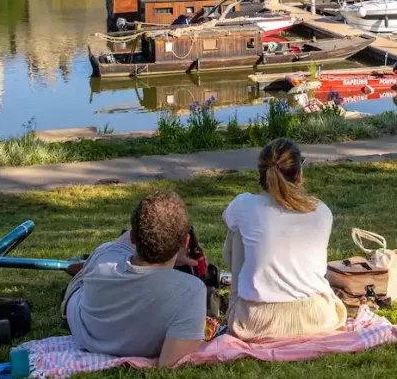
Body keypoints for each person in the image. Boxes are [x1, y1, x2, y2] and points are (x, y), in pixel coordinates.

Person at [60, 190, 207, 367]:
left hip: (82, 327)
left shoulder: (106, 253)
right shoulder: (191, 291)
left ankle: (84, 268)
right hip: (99, 317)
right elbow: (171, 363)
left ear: (133, 237)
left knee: (105, 256)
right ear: (185, 242)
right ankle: (83, 268)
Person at [222, 138, 346, 340]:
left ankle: (235, 303)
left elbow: (229, 238)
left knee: (236, 230)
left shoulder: (244, 205)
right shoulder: (322, 211)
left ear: (261, 171)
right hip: (318, 318)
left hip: (256, 323)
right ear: (299, 171)